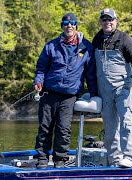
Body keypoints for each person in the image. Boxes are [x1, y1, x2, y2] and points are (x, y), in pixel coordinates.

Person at [33, 12, 97, 168]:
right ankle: (42, 158)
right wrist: (38, 82)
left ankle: (60, 159)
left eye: (72, 23)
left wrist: (95, 95)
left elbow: (90, 74)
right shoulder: (51, 45)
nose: (69, 26)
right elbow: (41, 68)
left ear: (76, 26)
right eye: (66, 23)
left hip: (69, 96)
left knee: (63, 129)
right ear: (62, 26)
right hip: (48, 93)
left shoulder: (86, 47)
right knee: (45, 127)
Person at [92, 8, 132, 168]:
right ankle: (115, 160)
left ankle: (129, 157)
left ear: (116, 21)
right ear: (101, 22)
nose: (107, 22)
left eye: (110, 19)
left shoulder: (124, 39)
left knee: (126, 121)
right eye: (104, 19)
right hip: (104, 90)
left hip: (123, 87)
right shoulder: (97, 39)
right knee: (109, 125)